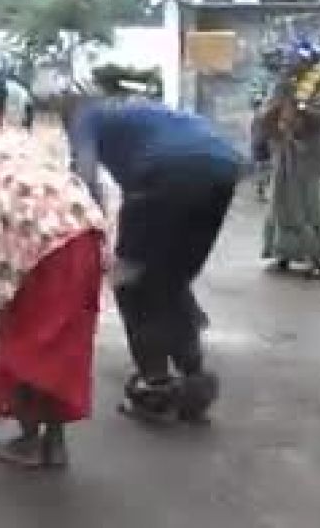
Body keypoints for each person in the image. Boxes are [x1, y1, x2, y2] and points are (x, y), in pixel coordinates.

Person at [0, 70, 108, 468]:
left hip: (37, 247)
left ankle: (31, 443)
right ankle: (54, 442)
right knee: (62, 345)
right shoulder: (20, 137)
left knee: (24, 341)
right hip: (83, 231)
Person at [68, 69, 241, 424]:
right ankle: (194, 377)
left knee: (130, 285)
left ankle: (156, 385)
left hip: (164, 174)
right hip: (223, 168)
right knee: (171, 281)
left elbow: (85, 177)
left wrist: (89, 232)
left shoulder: (87, 117)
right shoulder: (148, 109)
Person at [259, 38, 320, 279]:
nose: (288, 62)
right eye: (287, 58)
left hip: (313, 152)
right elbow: (265, 115)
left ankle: (316, 258)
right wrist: (276, 107)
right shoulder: (281, 84)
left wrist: (300, 107)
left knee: (313, 203)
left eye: (293, 58)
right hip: (285, 151)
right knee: (282, 200)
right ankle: (283, 253)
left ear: (307, 61)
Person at [249, 47, 283, 202]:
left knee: (277, 156)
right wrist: (265, 104)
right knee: (261, 156)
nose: (275, 60)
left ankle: (273, 188)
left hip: (279, 121)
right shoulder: (259, 77)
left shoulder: (284, 77)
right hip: (262, 121)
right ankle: (260, 188)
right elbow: (254, 99)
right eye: (271, 57)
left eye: (277, 57)